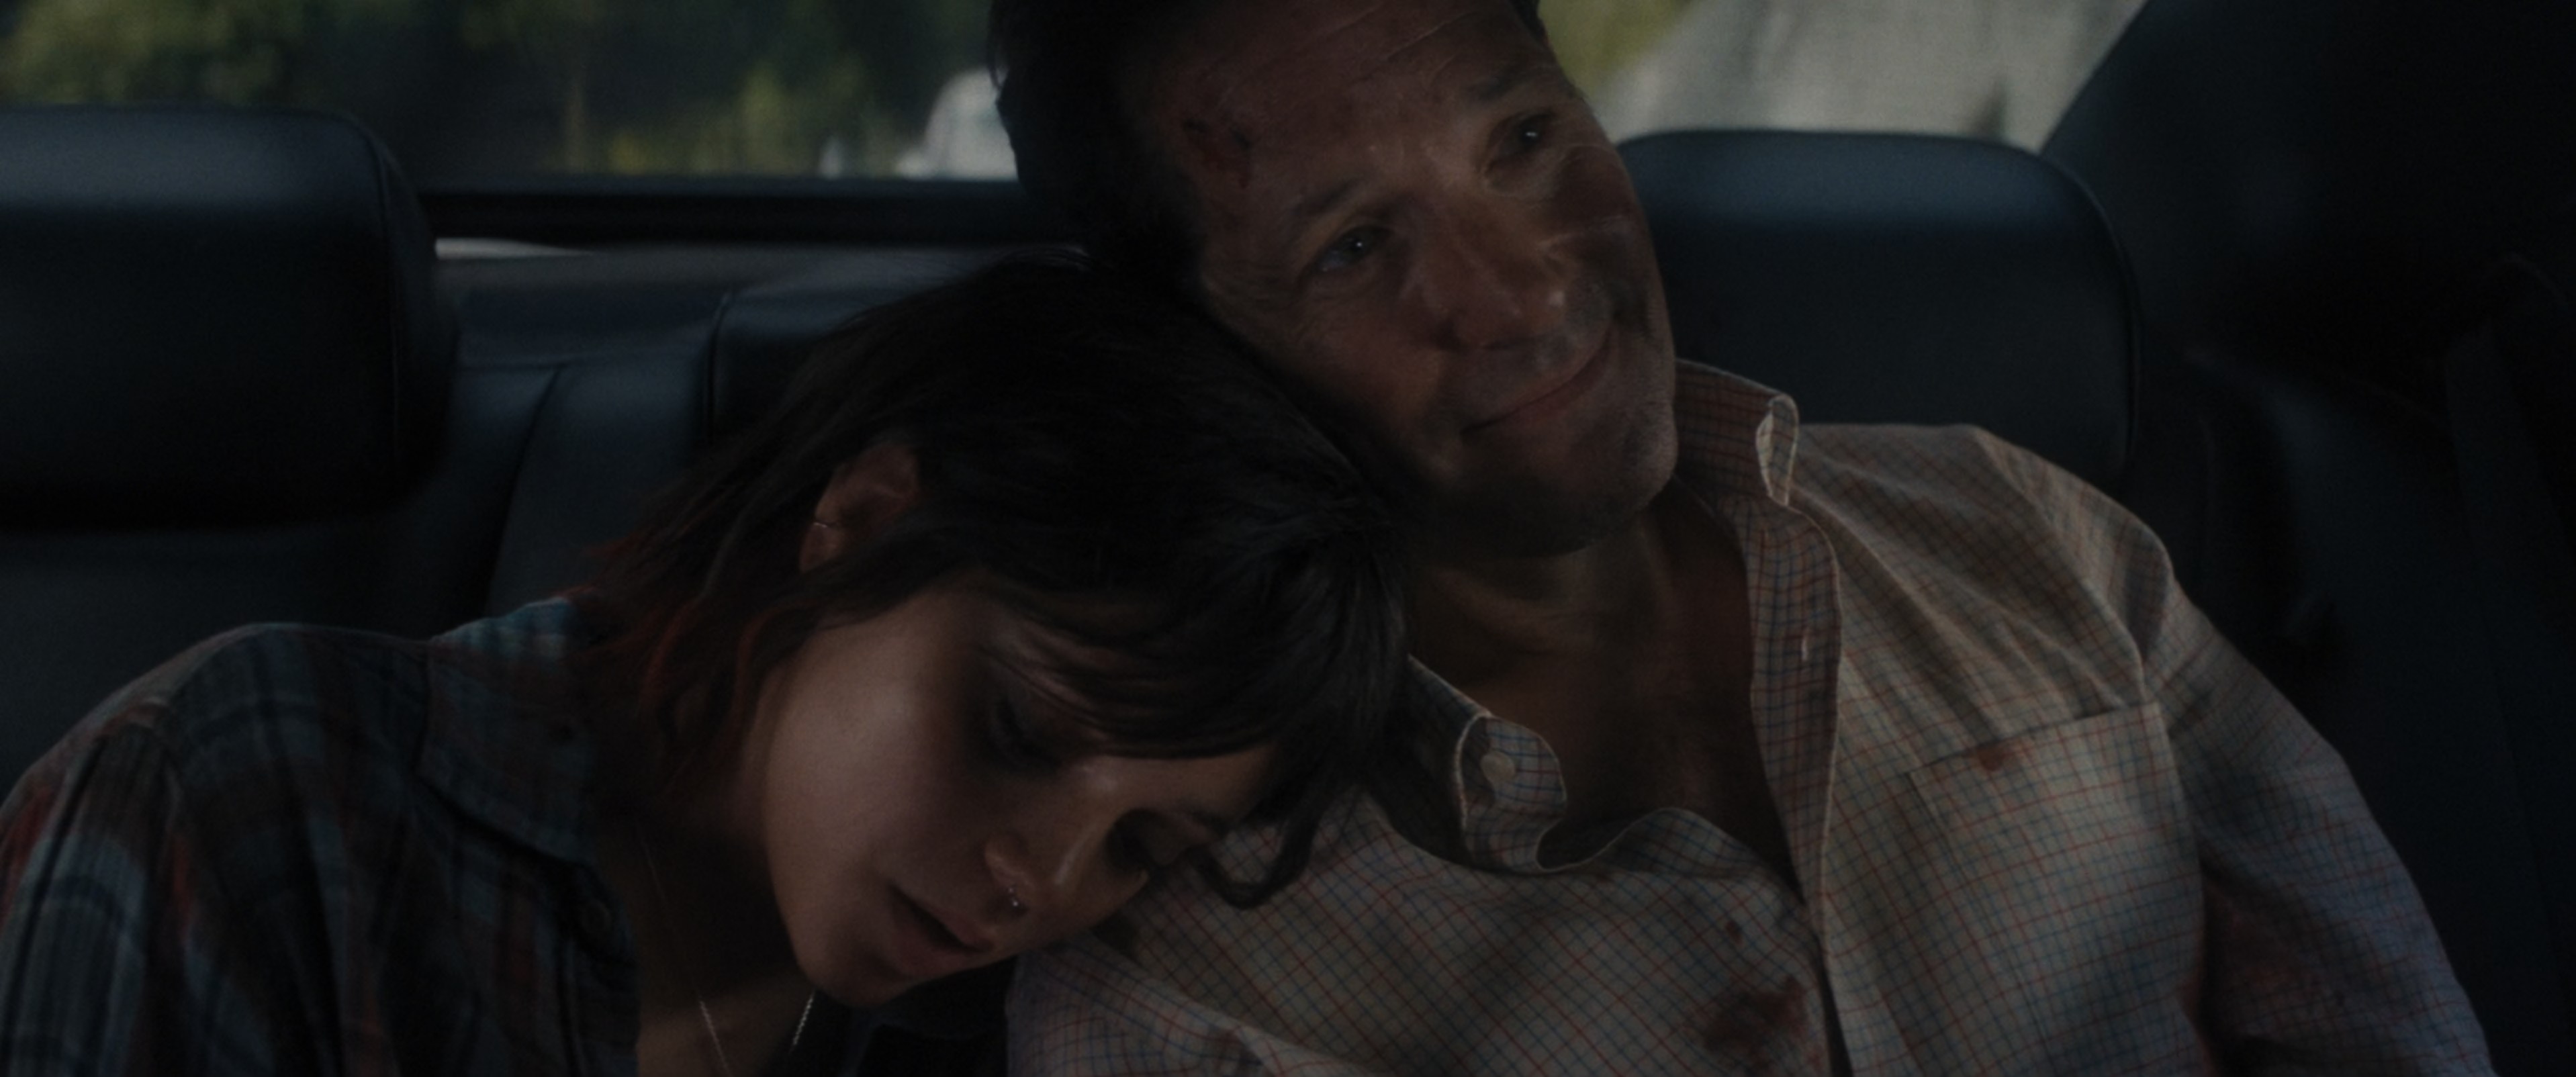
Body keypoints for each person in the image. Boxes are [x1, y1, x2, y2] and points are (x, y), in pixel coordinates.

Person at [990, 0, 2495, 1072]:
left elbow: (2384, 1024)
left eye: (1524, 136)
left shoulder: (2019, 528)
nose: (1525, 291)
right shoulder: (1180, 986)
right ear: (1186, 351)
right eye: (1357, 245)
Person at [0, 254, 1407, 1076]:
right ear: (864, 521)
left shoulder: (1027, 1021)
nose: (1036, 882)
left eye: (1141, 845)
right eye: (1017, 731)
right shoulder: (258, 793)